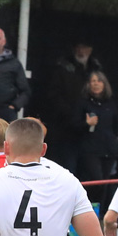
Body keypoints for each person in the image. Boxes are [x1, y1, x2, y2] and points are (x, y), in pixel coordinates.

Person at [44, 36, 102, 176]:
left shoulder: (95, 69)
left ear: (90, 50)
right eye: (79, 47)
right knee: (67, 169)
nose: (81, 51)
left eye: (85, 47)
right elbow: (54, 96)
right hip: (66, 129)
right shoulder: (62, 68)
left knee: (92, 173)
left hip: (89, 133)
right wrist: (71, 115)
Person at [77, 70, 118, 212]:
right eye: (92, 81)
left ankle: (100, 213)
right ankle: (89, 212)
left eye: (99, 81)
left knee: (105, 184)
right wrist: (86, 123)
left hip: (109, 149)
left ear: (104, 84)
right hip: (91, 149)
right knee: (96, 180)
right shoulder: (83, 103)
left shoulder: (110, 103)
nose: (95, 84)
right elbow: (72, 124)